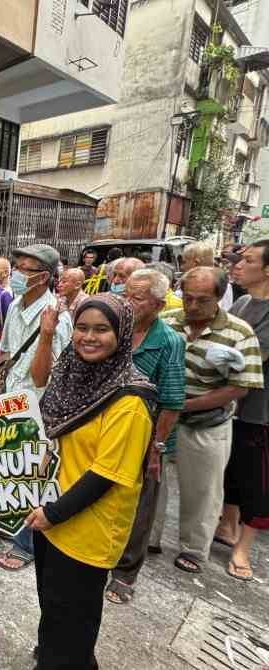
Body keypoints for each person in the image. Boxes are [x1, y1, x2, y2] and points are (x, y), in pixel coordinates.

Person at [25, 293, 156, 670]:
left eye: (101, 329)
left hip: (86, 529)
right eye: (82, 328)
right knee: (55, 609)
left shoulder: (130, 397)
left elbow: (106, 474)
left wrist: (53, 513)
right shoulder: (71, 373)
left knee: (73, 618)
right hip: (52, 517)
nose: (89, 337)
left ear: (122, 334)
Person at [158, 267, 262, 574]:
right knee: (154, 481)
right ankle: (149, 538)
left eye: (201, 300)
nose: (192, 306)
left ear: (219, 297)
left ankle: (193, 547)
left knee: (203, 490)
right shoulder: (167, 323)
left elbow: (239, 388)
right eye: (187, 298)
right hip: (164, 418)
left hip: (207, 422)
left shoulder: (238, 332)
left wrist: (184, 405)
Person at [104, 269, 185, 604]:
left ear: (159, 304)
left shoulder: (168, 341)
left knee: (139, 504)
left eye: (136, 297)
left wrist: (156, 449)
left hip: (145, 437)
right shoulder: (114, 330)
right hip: (106, 429)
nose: (127, 302)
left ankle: (125, 572)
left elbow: (172, 402)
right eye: (125, 294)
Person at [0, 244, 73, 572]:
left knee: (32, 475)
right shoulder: (14, 306)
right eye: (17, 267)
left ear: (43, 277)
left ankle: (25, 545)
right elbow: (6, 352)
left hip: (39, 408)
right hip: (11, 399)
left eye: (24, 270)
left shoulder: (57, 317)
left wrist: (45, 335)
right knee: (9, 466)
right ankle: (10, 522)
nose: (16, 275)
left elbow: (44, 376)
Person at [217, 240, 269, 580]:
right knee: (230, 468)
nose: (238, 265)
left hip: (260, 410)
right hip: (231, 403)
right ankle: (227, 525)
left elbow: (254, 357)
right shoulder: (245, 302)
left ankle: (243, 548)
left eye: (248, 260)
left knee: (257, 481)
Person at [179, 241, 233, 310]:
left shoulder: (223, 285)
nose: (182, 267)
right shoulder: (183, 281)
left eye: (184, 262)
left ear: (195, 263)